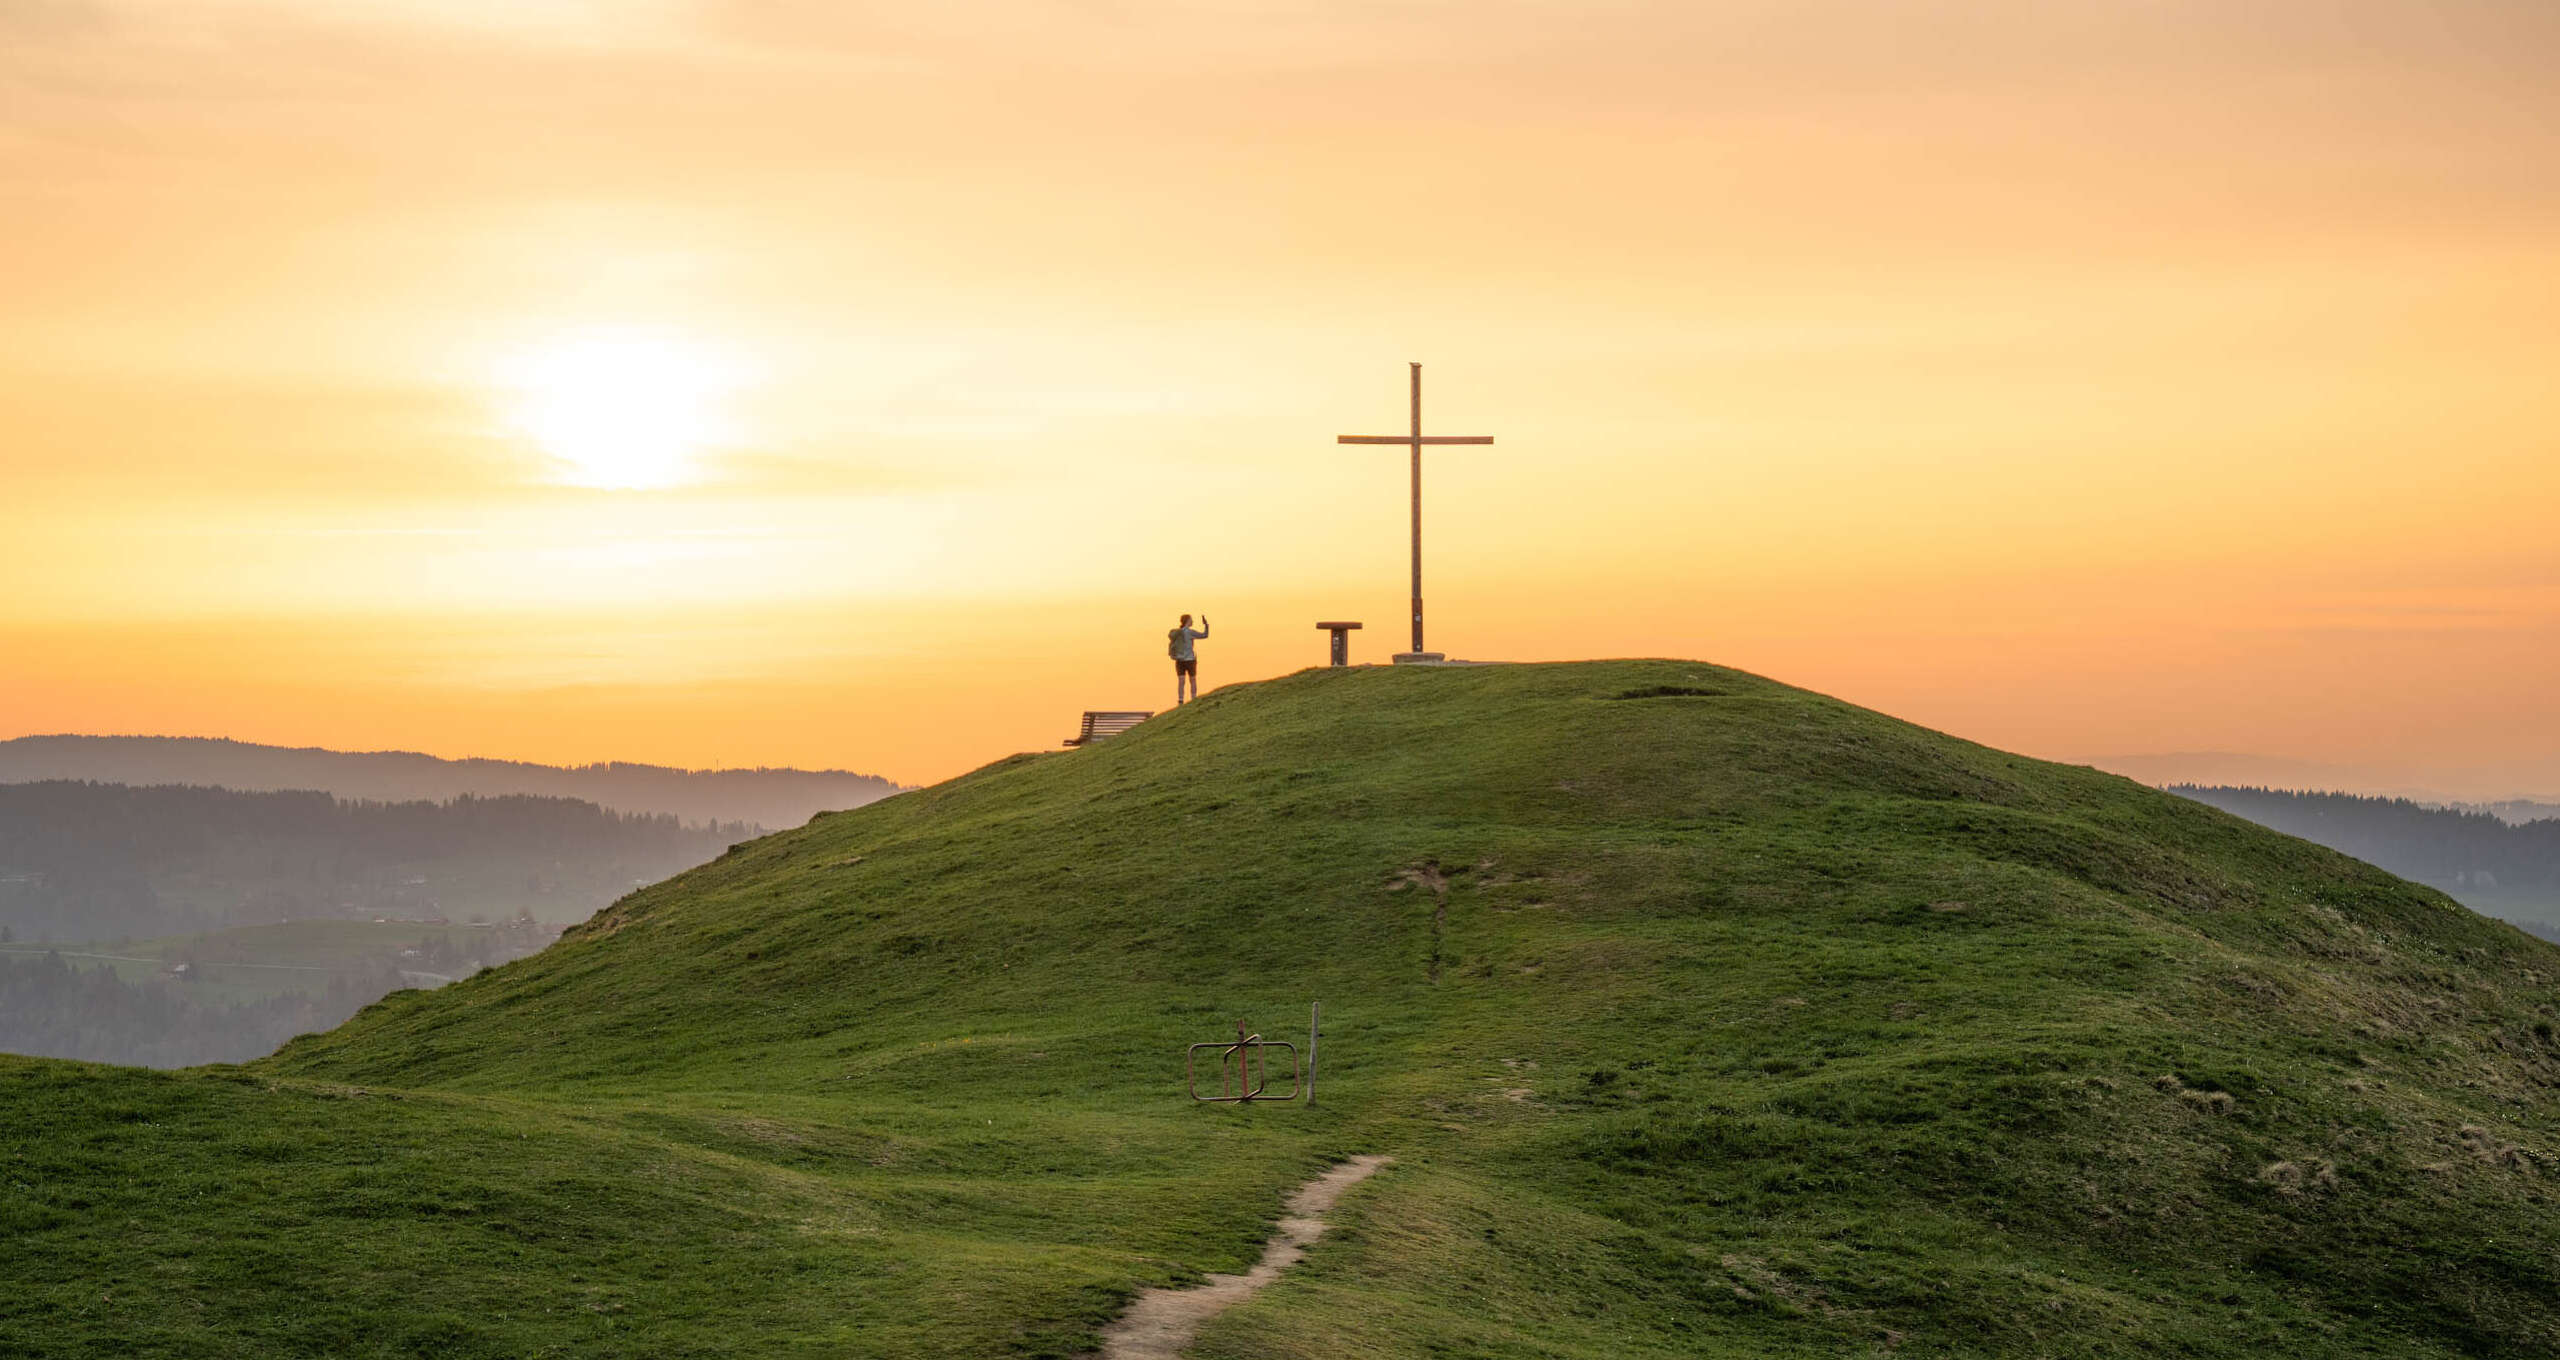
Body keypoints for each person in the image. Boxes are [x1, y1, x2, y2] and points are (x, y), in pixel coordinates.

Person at [1167, 612, 1210, 704]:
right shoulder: (1190, 632)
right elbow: (1204, 635)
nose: (1192, 621)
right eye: (1191, 620)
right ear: (1187, 621)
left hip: (1179, 660)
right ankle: (1193, 699)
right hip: (1190, 660)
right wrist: (1206, 625)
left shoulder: (1178, 632)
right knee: (1192, 680)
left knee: (1181, 681)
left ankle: (1180, 700)